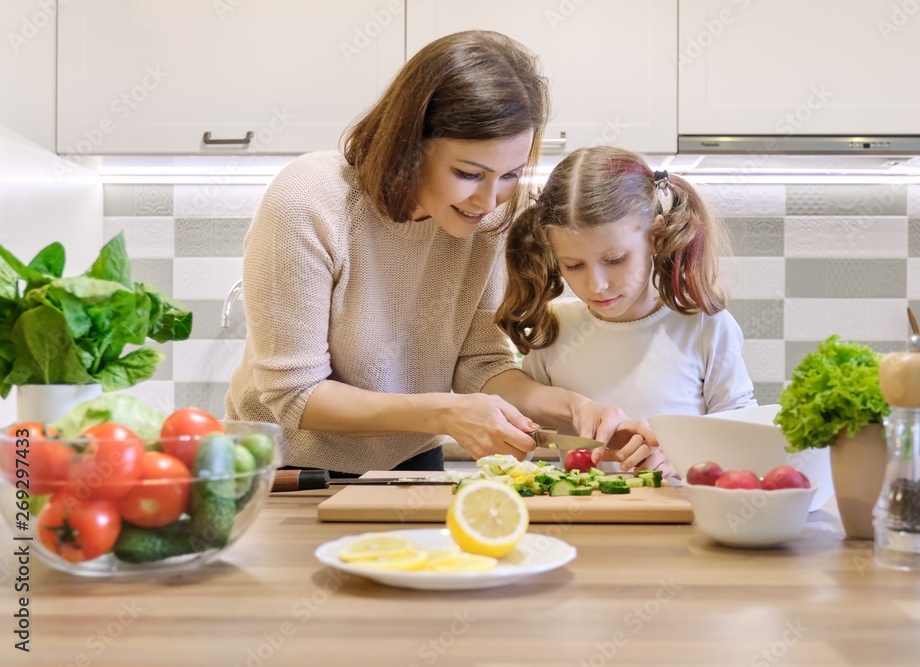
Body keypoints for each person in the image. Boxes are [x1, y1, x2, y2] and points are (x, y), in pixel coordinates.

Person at [225, 31, 658, 476]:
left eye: (510, 174)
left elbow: (481, 364)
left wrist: (576, 410)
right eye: (470, 173)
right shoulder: (308, 202)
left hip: (411, 463)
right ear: (410, 145)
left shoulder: (487, 221)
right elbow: (293, 393)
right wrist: (444, 413)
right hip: (286, 471)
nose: (490, 201)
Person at [496, 146, 757, 471]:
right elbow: (525, 430)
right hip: (582, 517)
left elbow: (744, 434)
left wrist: (684, 459)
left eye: (615, 260)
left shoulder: (705, 327)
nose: (596, 285)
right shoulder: (555, 329)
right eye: (574, 265)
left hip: (681, 513)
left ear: (656, 237)